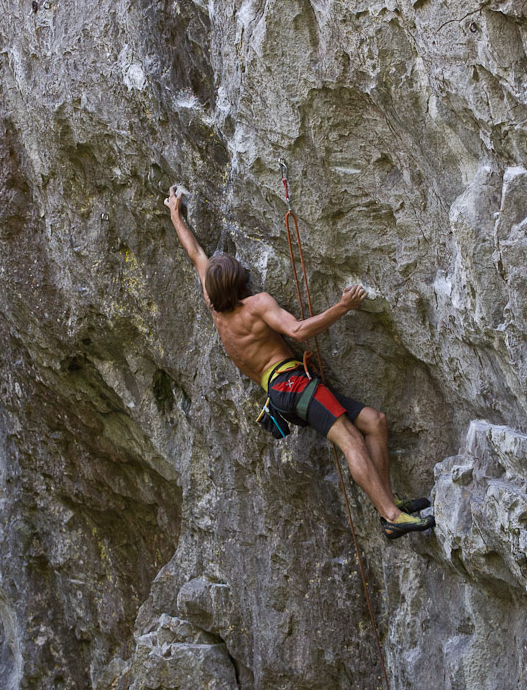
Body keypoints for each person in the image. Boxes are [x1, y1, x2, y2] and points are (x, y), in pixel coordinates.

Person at [165, 185, 435, 540]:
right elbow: (298, 330)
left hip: (283, 391)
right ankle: (391, 516)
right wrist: (343, 307)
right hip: (293, 385)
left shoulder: (215, 304)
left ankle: (391, 504)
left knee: (374, 422)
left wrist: (175, 213)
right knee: (351, 440)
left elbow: (196, 253)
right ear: (239, 282)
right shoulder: (256, 306)